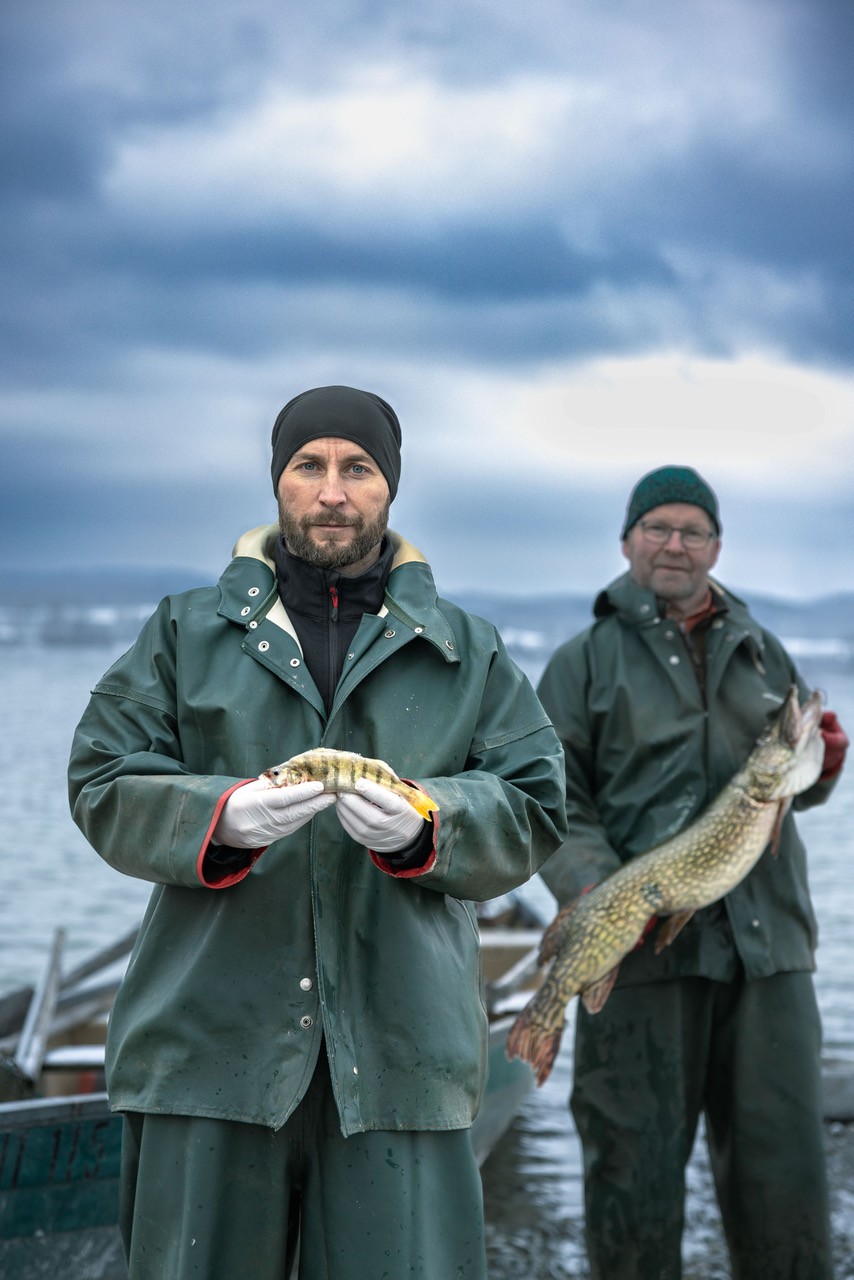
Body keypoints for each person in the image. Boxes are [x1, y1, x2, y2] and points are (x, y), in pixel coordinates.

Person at [67, 384, 568, 1280]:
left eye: (358, 469)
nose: (332, 491)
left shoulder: (468, 649)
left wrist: (430, 825)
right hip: (206, 1051)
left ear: (390, 488)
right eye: (309, 466)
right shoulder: (184, 633)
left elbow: (533, 804)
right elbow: (103, 780)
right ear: (279, 483)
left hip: (403, 1060)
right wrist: (220, 817)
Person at [536, 465, 849, 1280]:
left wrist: (820, 771)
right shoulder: (581, 664)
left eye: (693, 530)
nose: (675, 543)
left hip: (766, 950)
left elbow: (775, 793)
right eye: (659, 527)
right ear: (628, 540)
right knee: (631, 1172)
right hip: (639, 952)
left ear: (716, 546)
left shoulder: (760, 648)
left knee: (784, 1175)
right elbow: (552, 806)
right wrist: (602, 894)